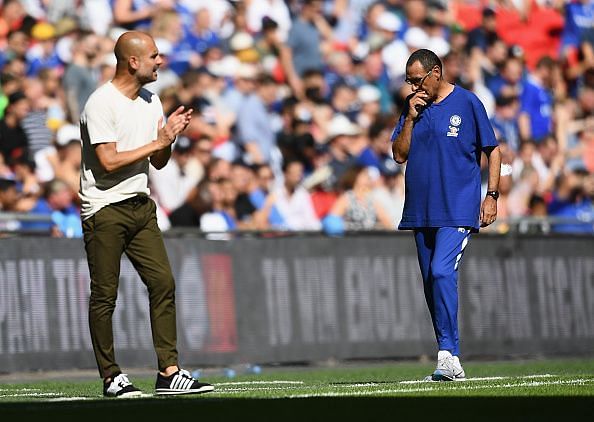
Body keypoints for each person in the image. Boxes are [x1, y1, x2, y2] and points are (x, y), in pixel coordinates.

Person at [79, 31, 214, 397]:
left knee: (163, 283)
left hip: (141, 206)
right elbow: (107, 163)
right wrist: (157, 141)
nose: (160, 61)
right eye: (154, 55)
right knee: (105, 294)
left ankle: (169, 372)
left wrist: (168, 138)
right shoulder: (100, 103)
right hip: (104, 209)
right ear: (132, 61)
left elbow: (159, 160)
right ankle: (111, 376)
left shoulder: (151, 100)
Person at [391, 49, 501, 381]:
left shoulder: (467, 103)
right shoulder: (413, 109)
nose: (412, 86)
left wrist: (491, 195)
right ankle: (447, 357)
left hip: (457, 208)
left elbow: (492, 151)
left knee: (441, 272)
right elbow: (398, 155)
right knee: (430, 282)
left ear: (436, 73)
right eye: (408, 81)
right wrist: (409, 118)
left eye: (417, 79)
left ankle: (449, 354)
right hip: (420, 210)